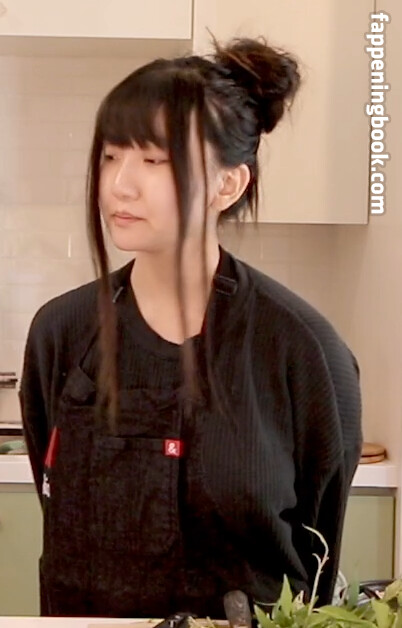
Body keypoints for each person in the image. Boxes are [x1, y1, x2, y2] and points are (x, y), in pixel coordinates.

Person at [19, 35, 362, 619]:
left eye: (154, 160)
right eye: (111, 155)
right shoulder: (62, 333)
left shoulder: (303, 350)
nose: (120, 184)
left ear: (229, 184)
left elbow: (317, 559)